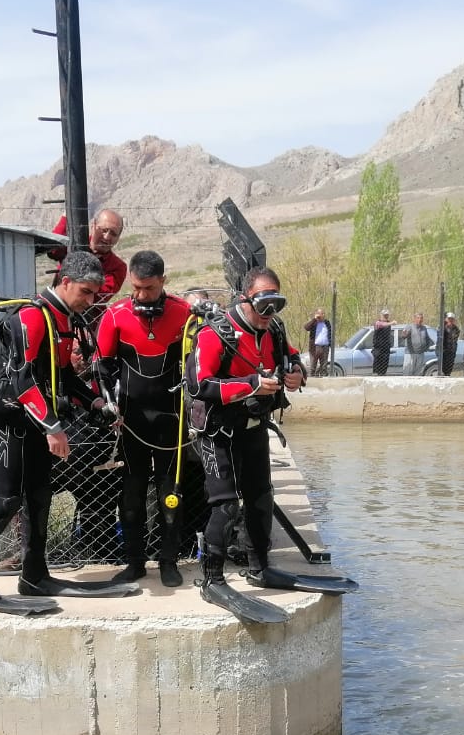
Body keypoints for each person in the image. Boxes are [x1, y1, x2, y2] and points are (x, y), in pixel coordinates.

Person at [0, 251, 126, 613]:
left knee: (39, 497)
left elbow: (61, 377)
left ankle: (34, 575)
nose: (90, 300)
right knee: (5, 501)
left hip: (36, 422)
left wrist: (96, 403)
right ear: (65, 282)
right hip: (13, 420)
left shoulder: (62, 319)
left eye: (95, 293)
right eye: (85, 291)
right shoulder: (32, 317)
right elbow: (23, 378)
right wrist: (54, 427)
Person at [189, 266, 350, 622]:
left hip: (253, 426)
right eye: (263, 305)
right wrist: (250, 384)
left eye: (276, 304)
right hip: (218, 432)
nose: (269, 315)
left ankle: (260, 567)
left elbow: (291, 356)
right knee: (227, 505)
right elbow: (199, 386)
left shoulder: (273, 328)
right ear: (244, 299)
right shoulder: (216, 334)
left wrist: (297, 373)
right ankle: (212, 579)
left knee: (262, 497)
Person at [95, 250, 195, 588]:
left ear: (163, 282)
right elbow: (103, 368)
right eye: (136, 288)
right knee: (133, 494)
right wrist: (108, 403)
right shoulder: (116, 316)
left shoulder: (184, 313)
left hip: (171, 418)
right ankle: (135, 562)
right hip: (132, 421)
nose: (141, 295)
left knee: (171, 491)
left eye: (149, 288)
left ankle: (169, 560)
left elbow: (199, 363)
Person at [304, 307, 332, 375]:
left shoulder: (327, 322)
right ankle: (313, 376)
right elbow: (306, 327)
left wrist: (330, 344)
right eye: (320, 314)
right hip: (315, 347)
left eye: (323, 314)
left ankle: (323, 378)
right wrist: (314, 319)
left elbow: (330, 333)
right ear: (317, 314)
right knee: (313, 365)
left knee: (324, 366)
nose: (322, 315)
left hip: (325, 347)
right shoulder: (314, 323)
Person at [370, 310, 394, 376]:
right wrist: (391, 323)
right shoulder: (378, 323)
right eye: (384, 315)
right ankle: (376, 374)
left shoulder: (388, 323)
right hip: (378, 347)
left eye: (387, 315)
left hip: (386, 347)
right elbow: (382, 325)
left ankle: (383, 374)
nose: (386, 316)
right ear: (381, 315)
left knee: (385, 361)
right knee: (378, 362)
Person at [439, 312, 461, 376]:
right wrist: (445, 323)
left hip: (452, 350)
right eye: (449, 319)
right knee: (443, 365)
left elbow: (455, 338)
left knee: (450, 365)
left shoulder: (456, 329)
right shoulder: (443, 328)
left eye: (452, 319)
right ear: (446, 319)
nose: (450, 320)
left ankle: (448, 374)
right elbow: (440, 334)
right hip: (445, 350)